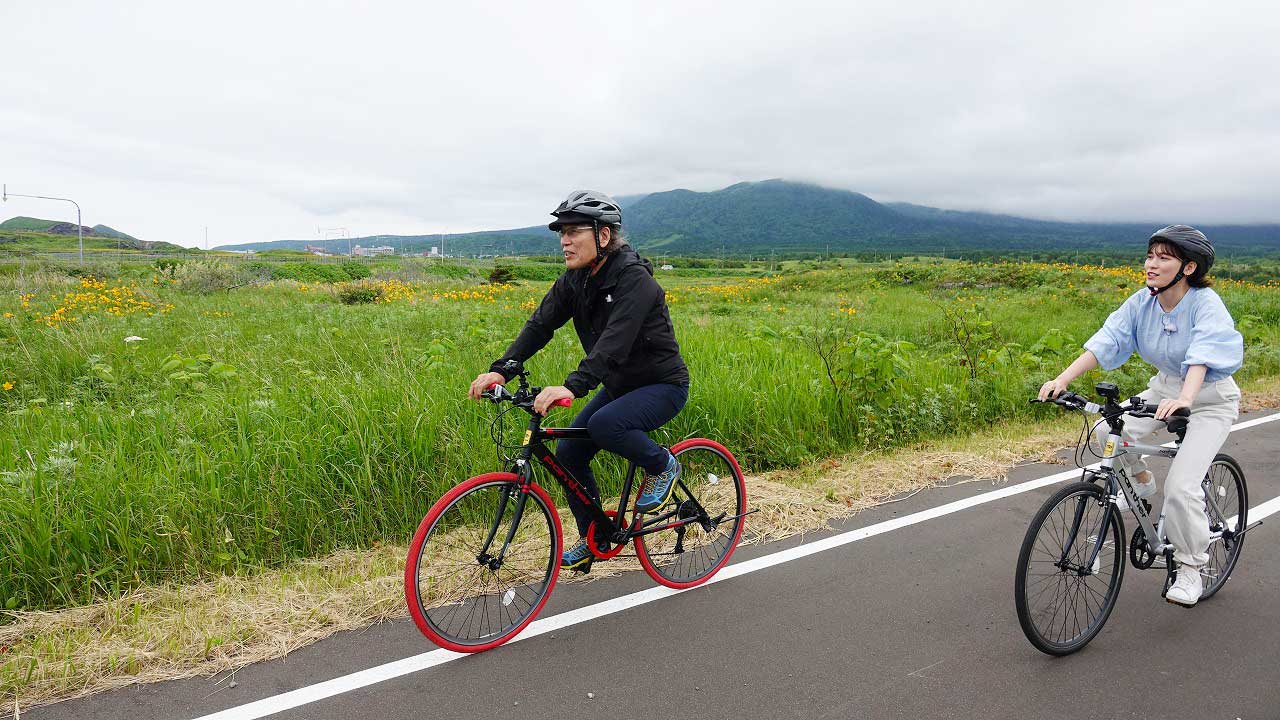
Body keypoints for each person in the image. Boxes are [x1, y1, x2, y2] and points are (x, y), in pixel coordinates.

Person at [467, 190, 690, 573]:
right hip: (620, 386)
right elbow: (540, 325)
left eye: (573, 232)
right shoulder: (575, 280)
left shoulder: (635, 281)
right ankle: (595, 537)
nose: (564, 241)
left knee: (605, 425)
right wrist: (503, 368)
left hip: (662, 385)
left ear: (603, 236)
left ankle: (663, 465)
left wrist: (572, 386)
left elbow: (613, 344)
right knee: (570, 454)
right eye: (561, 233)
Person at [1038, 224, 1243, 607]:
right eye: (1150, 255)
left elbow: (1203, 354)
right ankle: (1142, 480)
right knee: (1105, 434)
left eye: (1163, 258)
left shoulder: (1204, 304)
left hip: (1209, 400)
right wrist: (1061, 379)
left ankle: (1191, 568)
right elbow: (1108, 339)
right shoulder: (1142, 302)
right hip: (1165, 390)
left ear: (1188, 268)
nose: (1151, 264)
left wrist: (1186, 398)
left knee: (1182, 488)